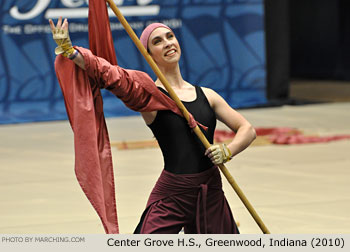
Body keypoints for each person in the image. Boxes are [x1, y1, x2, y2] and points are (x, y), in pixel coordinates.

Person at [49, 17, 256, 234]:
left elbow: (247, 130)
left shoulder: (208, 95)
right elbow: (113, 76)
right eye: (157, 42)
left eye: (170, 37)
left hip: (210, 192)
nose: (167, 43)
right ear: (148, 55)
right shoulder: (150, 96)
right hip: (173, 194)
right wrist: (71, 52)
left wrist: (227, 150)